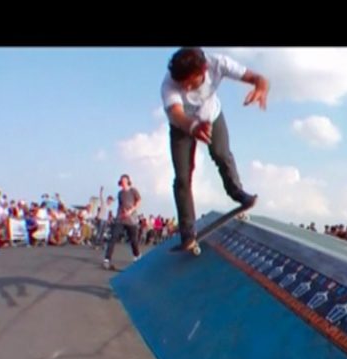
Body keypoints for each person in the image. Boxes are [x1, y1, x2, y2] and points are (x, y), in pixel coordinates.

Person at [161, 47, 269, 252]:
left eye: (189, 83)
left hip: (212, 117)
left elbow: (258, 78)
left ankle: (238, 193)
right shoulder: (169, 84)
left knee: (221, 154)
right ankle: (187, 231)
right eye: (181, 84)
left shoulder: (219, 64)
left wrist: (261, 87)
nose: (184, 88)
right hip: (182, 126)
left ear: (204, 69)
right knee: (183, 177)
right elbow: (176, 113)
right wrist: (192, 126)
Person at [102, 174, 142, 270]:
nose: (122, 182)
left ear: (128, 181)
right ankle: (107, 259)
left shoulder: (133, 191)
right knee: (113, 237)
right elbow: (119, 205)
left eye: (124, 180)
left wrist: (131, 211)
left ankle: (137, 256)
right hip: (120, 219)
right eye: (121, 181)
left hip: (131, 220)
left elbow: (139, 201)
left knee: (133, 240)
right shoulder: (120, 193)